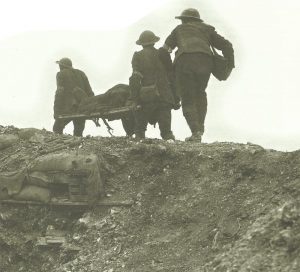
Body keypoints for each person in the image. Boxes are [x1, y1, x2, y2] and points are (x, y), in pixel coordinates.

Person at [163, 8, 235, 142]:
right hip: (205, 62)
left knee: (187, 97)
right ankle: (200, 130)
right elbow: (227, 45)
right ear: (197, 20)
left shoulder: (179, 29)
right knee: (200, 93)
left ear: (184, 20)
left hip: (185, 62)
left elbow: (165, 50)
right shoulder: (207, 29)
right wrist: (229, 64)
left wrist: (168, 69)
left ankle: (195, 132)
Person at [129, 30, 179, 141]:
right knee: (167, 133)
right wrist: (176, 98)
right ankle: (169, 143)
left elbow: (135, 78)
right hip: (164, 96)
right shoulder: (163, 54)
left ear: (141, 44)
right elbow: (172, 77)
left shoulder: (138, 56)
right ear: (154, 42)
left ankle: (139, 139)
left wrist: (135, 100)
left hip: (146, 97)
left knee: (140, 132)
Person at [53, 58, 94, 136]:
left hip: (68, 108)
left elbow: (59, 92)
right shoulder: (81, 73)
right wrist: (91, 106)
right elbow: (90, 92)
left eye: (59, 65)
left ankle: (63, 145)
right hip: (83, 107)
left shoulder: (61, 74)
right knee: (78, 132)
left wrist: (56, 111)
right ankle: (78, 146)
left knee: (57, 129)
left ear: (61, 66)